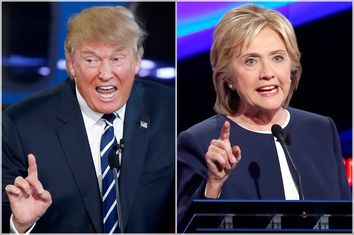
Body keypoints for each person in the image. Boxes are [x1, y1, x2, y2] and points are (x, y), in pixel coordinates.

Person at [177, 4, 351, 231]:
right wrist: (214, 185)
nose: (267, 73)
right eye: (251, 61)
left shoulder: (321, 130)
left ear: (292, 66)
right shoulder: (200, 142)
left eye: (277, 58)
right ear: (228, 77)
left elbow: (345, 221)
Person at [2, 5, 175, 233]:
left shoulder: (168, 110)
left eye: (117, 58)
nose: (105, 73)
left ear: (137, 61)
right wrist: (19, 225)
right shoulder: (21, 125)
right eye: (91, 60)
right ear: (72, 64)